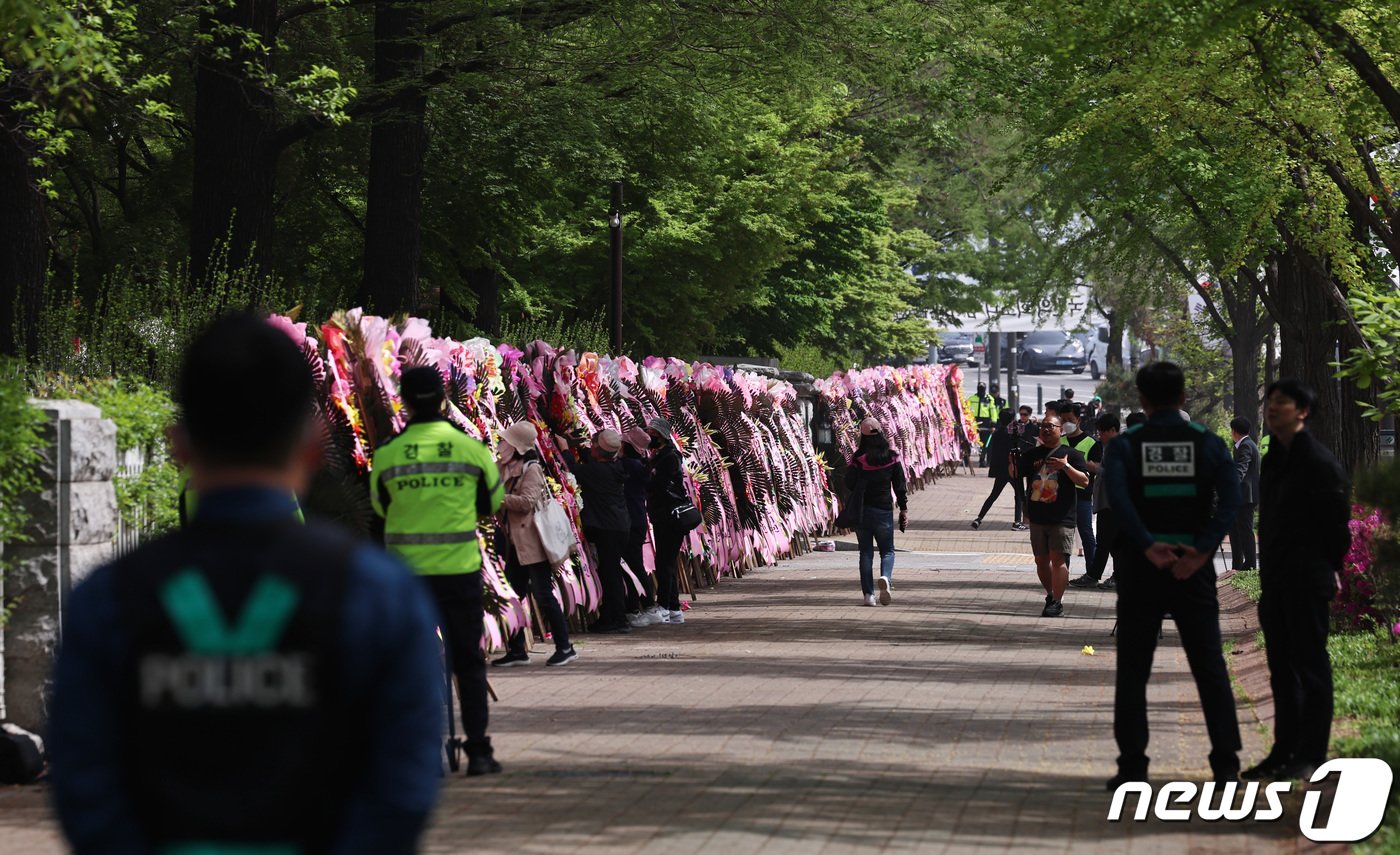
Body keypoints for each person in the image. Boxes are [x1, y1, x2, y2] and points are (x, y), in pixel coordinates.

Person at [49, 314, 444, 852]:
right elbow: (404, 782)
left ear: (179, 446)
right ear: (310, 446)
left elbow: (84, 781)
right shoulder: (380, 594)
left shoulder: (108, 599)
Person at [1103, 362, 1242, 790]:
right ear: (1183, 398)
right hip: (1192, 568)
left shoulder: (1127, 445)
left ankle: (1132, 766)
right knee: (1209, 665)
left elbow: (1119, 502)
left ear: (1142, 401)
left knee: (1133, 668)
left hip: (1142, 568)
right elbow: (1231, 502)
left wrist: (1147, 543)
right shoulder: (1209, 443)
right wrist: (1202, 551)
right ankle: (1225, 764)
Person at [372, 365, 505, 776]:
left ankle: (421, 750)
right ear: (444, 398)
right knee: (468, 661)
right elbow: (491, 504)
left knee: (410, 661)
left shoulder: (388, 454)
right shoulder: (471, 449)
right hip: (459, 572)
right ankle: (479, 752)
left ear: (405, 402)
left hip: (406, 579)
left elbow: (379, 513)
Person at [1242, 380, 1350, 781]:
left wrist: (1325, 570)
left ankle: (1312, 755)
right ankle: (1283, 751)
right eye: (1269, 401)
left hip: (1308, 579)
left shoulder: (1319, 462)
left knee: (1310, 667)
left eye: (1281, 403)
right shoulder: (1274, 460)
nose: (1272, 408)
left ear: (1302, 411)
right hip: (1275, 580)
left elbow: (1337, 530)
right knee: (1280, 669)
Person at [491, 420, 578, 668]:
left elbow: (527, 502)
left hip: (532, 543)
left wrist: (498, 498)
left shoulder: (532, 469)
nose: (500, 444)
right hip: (512, 543)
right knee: (513, 596)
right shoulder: (500, 466)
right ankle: (518, 650)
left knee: (543, 595)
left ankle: (565, 647)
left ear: (516, 446)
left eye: (505, 441)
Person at [1011, 415, 1089, 617]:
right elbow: (1017, 475)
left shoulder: (1072, 454)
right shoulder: (1031, 454)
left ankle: (1057, 601)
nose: (1046, 430)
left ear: (1060, 429)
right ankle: (1050, 594)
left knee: (1058, 559)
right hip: (1038, 516)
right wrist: (1012, 464)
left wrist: (1065, 466)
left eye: (1050, 426)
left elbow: (1085, 481)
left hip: (1062, 516)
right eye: (1043, 426)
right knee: (1040, 560)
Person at [556, 429, 632, 633]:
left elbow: (571, 469)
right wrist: (579, 446)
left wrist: (564, 449)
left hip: (609, 528)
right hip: (618, 526)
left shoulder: (597, 472)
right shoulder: (614, 465)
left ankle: (617, 619)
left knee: (610, 574)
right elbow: (593, 459)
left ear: (599, 449)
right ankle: (612, 615)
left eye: (593, 444)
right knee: (611, 571)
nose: (591, 446)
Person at [846, 417, 908, 606]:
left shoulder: (858, 459)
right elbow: (900, 485)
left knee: (865, 553)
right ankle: (886, 579)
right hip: (883, 511)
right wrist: (904, 508)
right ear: (881, 433)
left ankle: (868, 596)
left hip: (862, 511)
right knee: (887, 551)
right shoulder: (892, 457)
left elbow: (849, 483)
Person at [646, 417, 692, 625]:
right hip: (663, 514)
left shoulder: (669, 457)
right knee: (666, 562)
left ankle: (665, 605)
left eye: (652, 434)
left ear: (662, 436)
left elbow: (656, 483)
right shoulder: (661, 455)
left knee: (665, 562)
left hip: (670, 516)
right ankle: (673, 608)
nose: (649, 438)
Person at [621, 427, 663, 627]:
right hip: (637, 520)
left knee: (633, 565)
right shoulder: (639, 465)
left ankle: (646, 606)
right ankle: (640, 606)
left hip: (630, 521)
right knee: (634, 564)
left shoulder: (628, 465)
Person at [1078, 412, 1121, 589]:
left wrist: (1095, 468)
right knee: (1108, 542)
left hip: (1111, 503)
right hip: (1106, 502)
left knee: (1107, 542)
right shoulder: (1111, 447)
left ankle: (1097, 575)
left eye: (1102, 432)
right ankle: (1100, 574)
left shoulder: (1118, 448)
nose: (1099, 436)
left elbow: (1118, 474)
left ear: (1112, 430)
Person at [1061, 402, 1102, 586]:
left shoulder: (1091, 443)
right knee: (1063, 535)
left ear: (1078, 419)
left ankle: (1091, 574)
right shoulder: (1059, 440)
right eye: (1063, 420)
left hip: (1082, 495)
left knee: (1086, 533)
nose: (1066, 423)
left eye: (1070, 420)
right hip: (1061, 495)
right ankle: (1062, 572)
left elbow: (1096, 468)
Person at [971, 409, 1026, 531]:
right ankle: (1017, 522)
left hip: (1001, 470)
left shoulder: (997, 433)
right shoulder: (1011, 434)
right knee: (1019, 495)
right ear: (1012, 420)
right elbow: (1016, 449)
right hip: (1012, 469)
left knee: (993, 495)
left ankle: (979, 518)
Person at [1229, 416, 1260, 574]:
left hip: (1245, 498)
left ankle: (1250, 565)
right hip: (1242, 496)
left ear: (1234, 431)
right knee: (1235, 530)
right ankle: (1237, 566)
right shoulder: (1245, 445)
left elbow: (1241, 468)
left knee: (1245, 530)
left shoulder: (1246, 446)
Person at [967, 382, 998, 466]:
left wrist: (993, 425)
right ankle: (967, 461)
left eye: (982, 388)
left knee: (986, 444)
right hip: (974, 422)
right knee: (970, 442)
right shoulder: (972, 398)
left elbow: (993, 412)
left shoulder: (989, 399)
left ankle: (983, 460)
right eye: (980, 388)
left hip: (986, 423)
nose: (981, 390)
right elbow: (967, 411)